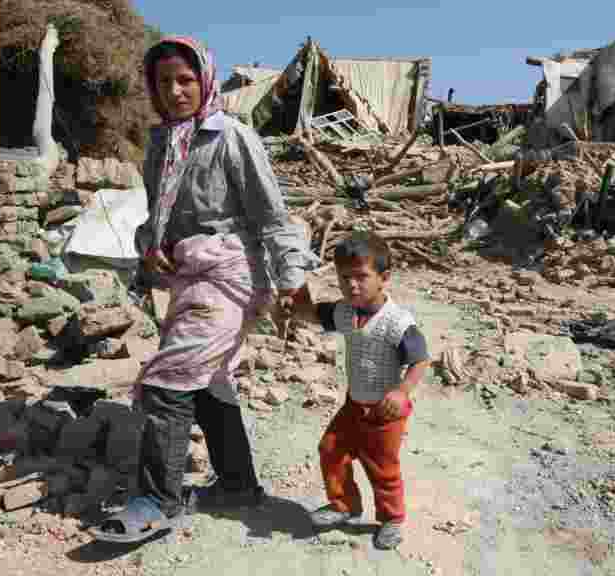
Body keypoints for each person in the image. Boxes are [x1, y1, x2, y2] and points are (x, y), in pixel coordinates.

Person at [90, 36, 313, 543]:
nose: (175, 91)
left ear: (205, 80)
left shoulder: (232, 137)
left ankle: (157, 502)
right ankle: (237, 485)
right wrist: (150, 247)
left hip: (231, 276)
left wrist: (292, 282)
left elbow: (272, 216)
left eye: (186, 80)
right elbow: (157, 217)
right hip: (188, 277)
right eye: (164, 82)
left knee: (167, 381)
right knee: (209, 381)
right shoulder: (162, 143)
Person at [292, 231, 430, 550]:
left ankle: (391, 519)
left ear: (384, 278)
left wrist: (402, 392)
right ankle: (344, 505)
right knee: (331, 450)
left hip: (385, 412)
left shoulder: (397, 322)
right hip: (354, 405)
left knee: (382, 468)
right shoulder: (345, 311)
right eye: (344, 278)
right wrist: (294, 288)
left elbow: (421, 360)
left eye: (361, 277)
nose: (352, 285)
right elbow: (309, 313)